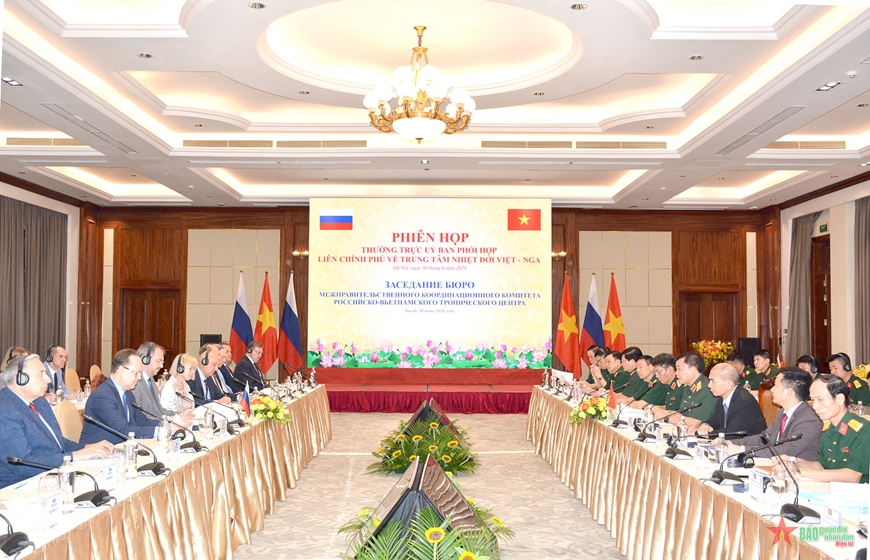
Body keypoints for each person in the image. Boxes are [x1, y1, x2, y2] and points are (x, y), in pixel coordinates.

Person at [0, 354, 114, 488]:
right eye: (41, 374)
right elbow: (22, 464)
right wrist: (75, 456)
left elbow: (59, 442)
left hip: (51, 476)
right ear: (20, 379)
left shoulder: (40, 403)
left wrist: (88, 448)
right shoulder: (5, 411)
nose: (48, 379)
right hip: (19, 488)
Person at [79, 349, 186, 445]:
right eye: (136, 373)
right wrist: (163, 431)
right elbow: (124, 431)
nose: (139, 378)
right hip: (98, 455)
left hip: (121, 450)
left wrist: (169, 424)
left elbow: (141, 420)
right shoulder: (102, 397)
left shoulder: (128, 393)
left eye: (140, 374)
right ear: (121, 370)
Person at [729, 367, 822, 460]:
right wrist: (730, 443)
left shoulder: (810, 419)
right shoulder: (782, 412)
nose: (772, 389)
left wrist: (741, 449)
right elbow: (763, 439)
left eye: (776, 386)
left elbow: (785, 450)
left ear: (788, 392)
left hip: (798, 471)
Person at [795, 375, 870, 483]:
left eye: (820, 399)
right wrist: (796, 463)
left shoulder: (863, 430)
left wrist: (803, 472)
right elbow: (823, 466)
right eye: (812, 400)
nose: (815, 406)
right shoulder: (829, 430)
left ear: (839, 399)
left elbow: (853, 476)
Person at [697, 362, 767, 439]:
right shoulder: (722, 398)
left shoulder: (744, 401)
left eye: (713, 381)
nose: (709, 385)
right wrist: (705, 426)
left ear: (729, 384)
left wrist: (705, 434)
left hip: (750, 447)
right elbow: (714, 421)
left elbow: (732, 434)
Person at [653, 352, 716, 431]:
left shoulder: (705, 389)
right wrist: (662, 412)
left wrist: (666, 418)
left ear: (693, 370)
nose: (676, 373)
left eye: (679, 369)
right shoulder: (688, 387)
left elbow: (695, 423)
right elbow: (681, 414)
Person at [131, 342, 171, 419]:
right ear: (146, 359)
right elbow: (139, 416)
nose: (161, 366)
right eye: (159, 361)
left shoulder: (150, 379)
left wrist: (180, 415)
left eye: (162, 362)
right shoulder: (135, 382)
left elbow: (159, 411)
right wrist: (166, 422)